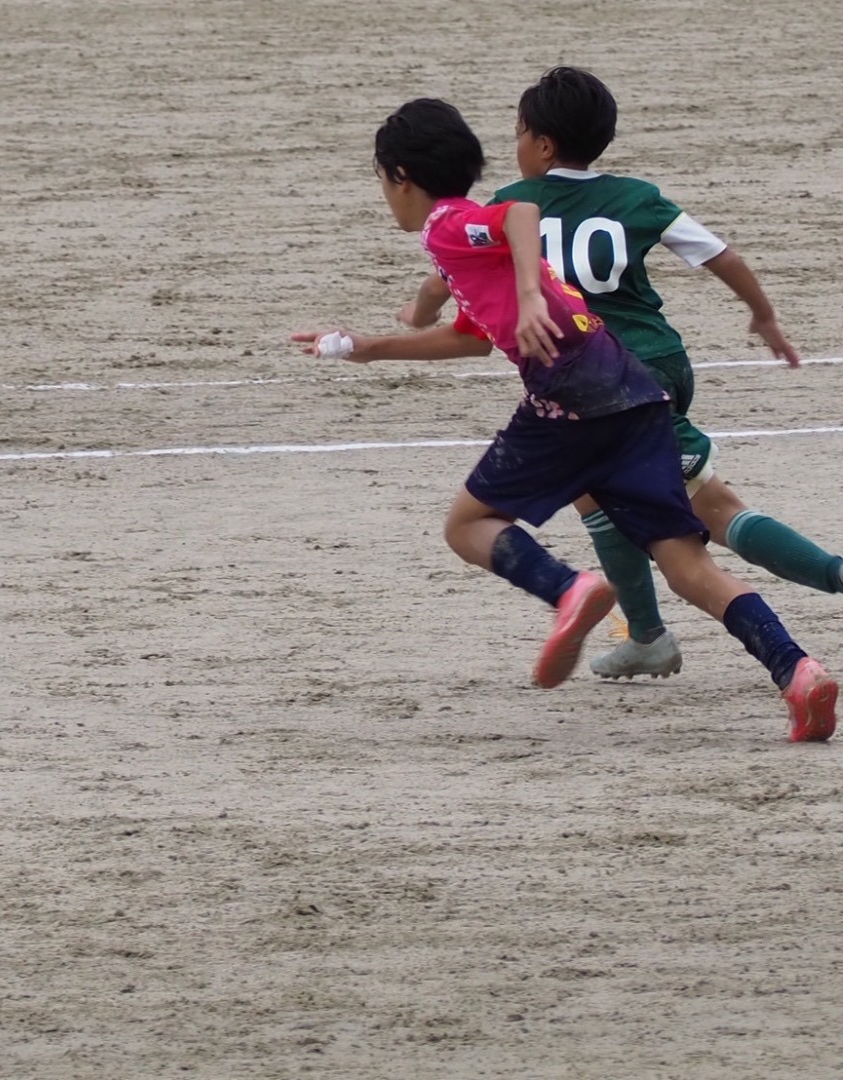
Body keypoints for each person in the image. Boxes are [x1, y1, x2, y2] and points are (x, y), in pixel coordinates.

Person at [292, 97, 836, 742]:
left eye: (382, 181)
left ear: (402, 176)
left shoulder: (448, 226)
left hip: (571, 392)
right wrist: (367, 346)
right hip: (633, 391)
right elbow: (470, 337)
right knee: (688, 565)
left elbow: (520, 215)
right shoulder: (462, 247)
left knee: (467, 525)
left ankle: (569, 590)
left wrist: (529, 296)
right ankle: (796, 670)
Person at [398, 67, 843, 681]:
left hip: (608, 374)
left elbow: (446, 277)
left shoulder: (508, 202)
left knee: (712, 509)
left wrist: (419, 313)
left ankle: (822, 581)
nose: (517, 143)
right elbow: (721, 254)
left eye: (521, 132)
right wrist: (762, 315)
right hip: (660, 360)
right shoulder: (635, 196)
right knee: (601, 491)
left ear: (543, 144)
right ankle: (646, 634)